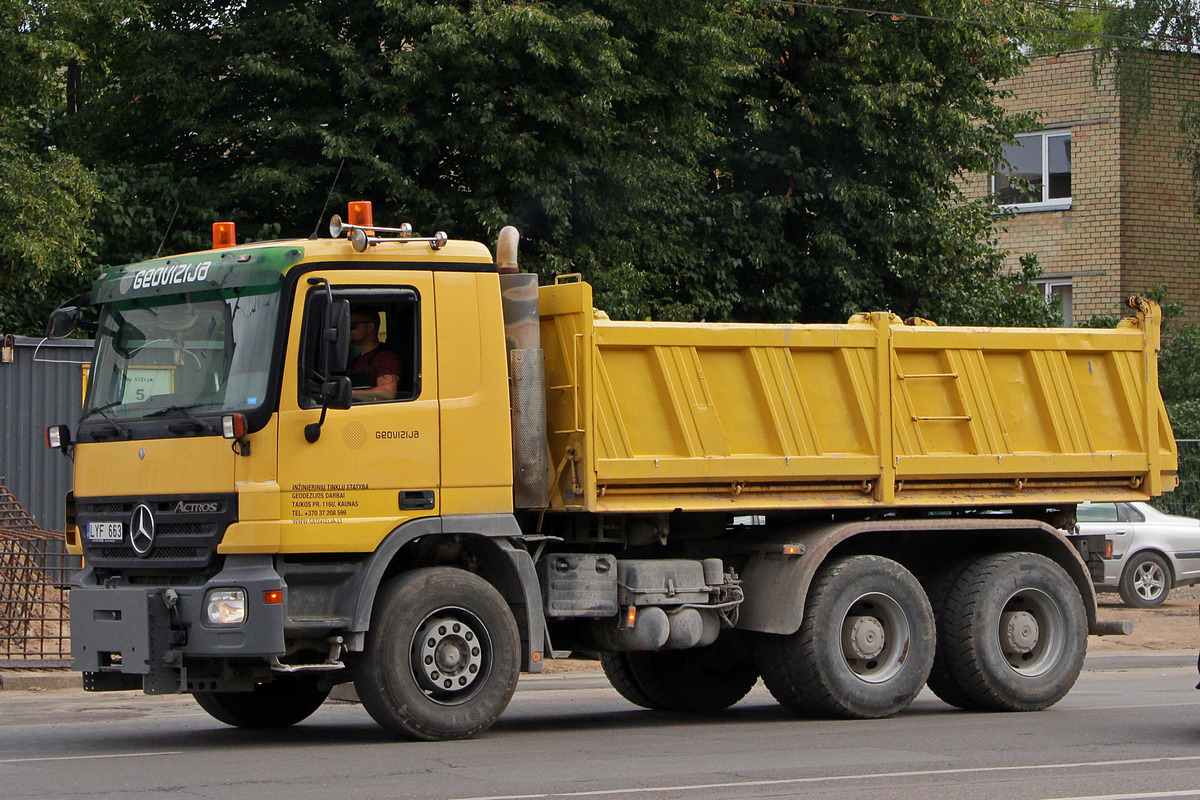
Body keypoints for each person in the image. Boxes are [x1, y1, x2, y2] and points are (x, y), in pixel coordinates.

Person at [348, 309, 402, 401]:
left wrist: (349, 394)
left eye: (352, 326)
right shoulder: (356, 359)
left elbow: (388, 393)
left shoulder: (385, 357)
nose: (348, 330)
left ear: (370, 327)